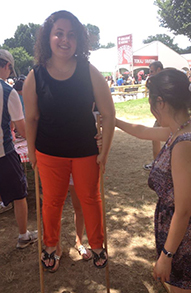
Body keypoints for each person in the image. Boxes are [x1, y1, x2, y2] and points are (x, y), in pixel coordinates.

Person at [23, 10, 115, 272]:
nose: (65, 40)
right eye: (59, 33)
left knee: (90, 198)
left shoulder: (89, 71)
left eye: (71, 35)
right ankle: (50, 246)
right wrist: (32, 153)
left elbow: (109, 114)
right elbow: (31, 119)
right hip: (49, 152)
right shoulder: (35, 75)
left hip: (85, 151)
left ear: (79, 40)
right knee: (52, 201)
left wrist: (104, 151)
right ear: (48, 38)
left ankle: (96, 244)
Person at [116, 68, 191, 293]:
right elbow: (143, 131)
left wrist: (167, 255)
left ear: (160, 102)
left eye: (152, 104)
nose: (152, 111)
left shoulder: (185, 143)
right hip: (179, 235)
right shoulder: (180, 131)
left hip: (186, 239)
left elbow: (184, 209)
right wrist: (114, 121)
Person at [0, 49, 38, 248]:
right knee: (19, 195)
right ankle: (23, 236)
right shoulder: (7, 92)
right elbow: (23, 128)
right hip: (4, 153)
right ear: (7, 66)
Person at [143, 61, 163, 171]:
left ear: (159, 69)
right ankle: (157, 163)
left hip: (165, 116)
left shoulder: (162, 82)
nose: (150, 73)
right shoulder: (160, 81)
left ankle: (158, 164)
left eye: (152, 71)